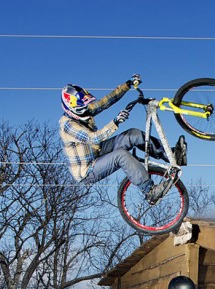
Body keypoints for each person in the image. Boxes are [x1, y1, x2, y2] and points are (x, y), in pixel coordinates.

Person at [58, 74, 187, 202]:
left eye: (86, 105)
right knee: (121, 155)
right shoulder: (68, 126)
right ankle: (149, 191)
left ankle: (172, 155)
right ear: (72, 110)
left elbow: (105, 102)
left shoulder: (82, 111)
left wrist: (127, 85)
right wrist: (115, 122)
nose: (86, 109)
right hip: (87, 170)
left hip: (97, 151)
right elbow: (94, 138)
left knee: (132, 134)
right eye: (82, 108)